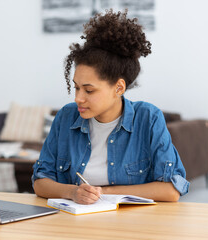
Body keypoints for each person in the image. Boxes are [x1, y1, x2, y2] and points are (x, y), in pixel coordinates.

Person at [32, 9, 189, 204]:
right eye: (76, 87)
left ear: (119, 88)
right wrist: (73, 192)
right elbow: (40, 182)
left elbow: (171, 190)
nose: (78, 98)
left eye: (89, 91)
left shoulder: (148, 118)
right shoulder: (66, 117)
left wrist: (102, 192)